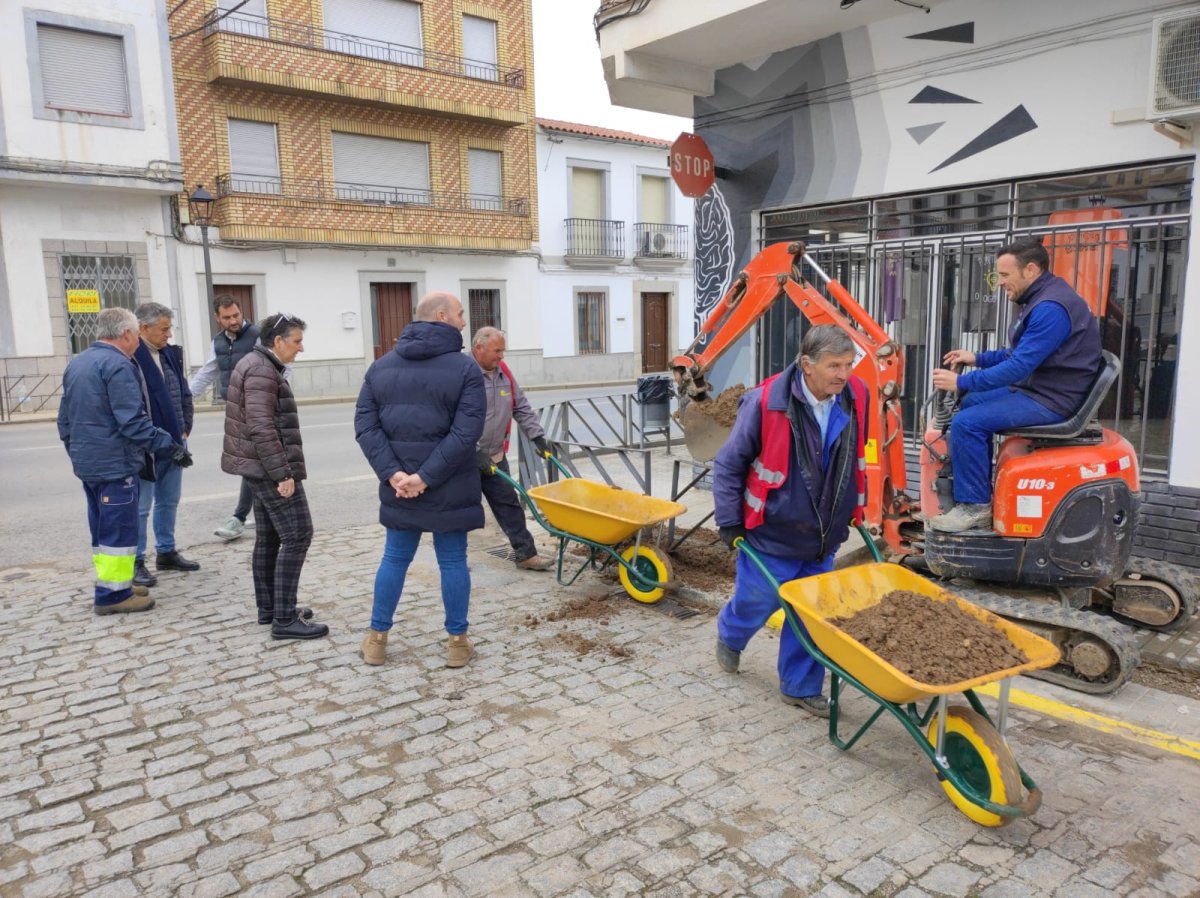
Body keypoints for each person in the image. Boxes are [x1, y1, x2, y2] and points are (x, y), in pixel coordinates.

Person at [712, 325, 867, 718]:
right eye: (834, 365)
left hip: (823, 534)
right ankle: (731, 634)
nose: (843, 374)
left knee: (811, 613)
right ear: (806, 365)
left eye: (848, 365)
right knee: (757, 601)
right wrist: (730, 521)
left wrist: (857, 506)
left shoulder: (854, 397)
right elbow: (730, 464)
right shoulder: (765, 402)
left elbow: (856, 459)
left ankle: (799, 686)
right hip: (773, 532)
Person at [930, 237, 1102, 532]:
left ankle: (975, 507)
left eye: (1005, 275)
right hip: (1042, 387)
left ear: (1031, 270)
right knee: (970, 402)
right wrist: (977, 358)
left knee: (966, 423)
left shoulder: (1050, 308)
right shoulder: (1043, 298)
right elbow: (1019, 354)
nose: (999, 282)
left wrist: (961, 380)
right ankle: (975, 489)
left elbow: (1018, 366)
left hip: (1053, 400)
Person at [355, 292, 486, 668]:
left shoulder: (380, 367)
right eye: (461, 314)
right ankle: (458, 643)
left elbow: (365, 426)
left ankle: (377, 640)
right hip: (448, 483)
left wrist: (395, 474)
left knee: (394, 558)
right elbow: (467, 433)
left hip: (401, 486)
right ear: (442, 316)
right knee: (452, 561)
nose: (464, 321)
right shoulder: (465, 370)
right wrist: (424, 478)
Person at [57, 307, 187, 614]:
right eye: (136, 336)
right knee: (118, 530)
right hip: (115, 464)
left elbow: (64, 421)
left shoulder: (78, 362)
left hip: (89, 463)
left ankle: (116, 583)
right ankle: (112, 597)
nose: (139, 342)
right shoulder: (118, 365)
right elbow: (133, 423)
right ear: (128, 334)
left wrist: (77, 452)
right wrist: (169, 445)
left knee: (102, 529)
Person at [221, 313, 326, 640]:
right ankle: (283, 618)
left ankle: (270, 608)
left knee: (270, 538)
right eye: (296, 341)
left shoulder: (257, 364)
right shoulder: (262, 371)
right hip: (268, 468)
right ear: (278, 341)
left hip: (258, 466)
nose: (301, 348)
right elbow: (261, 427)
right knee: (298, 535)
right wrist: (283, 473)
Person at [471, 326, 553, 572]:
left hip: (494, 456)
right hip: (466, 459)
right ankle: (453, 561)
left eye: (502, 351)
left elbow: (521, 406)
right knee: (461, 511)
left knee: (509, 504)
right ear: (479, 348)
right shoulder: (462, 373)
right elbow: (451, 418)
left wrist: (537, 436)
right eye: (497, 351)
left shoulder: (503, 372)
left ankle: (526, 554)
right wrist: (473, 451)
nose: (501, 356)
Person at [131, 302, 199, 587]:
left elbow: (183, 391)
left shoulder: (170, 354)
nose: (169, 334)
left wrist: (185, 427)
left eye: (170, 328)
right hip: (145, 444)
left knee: (169, 500)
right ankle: (136, 560)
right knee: (141, 506)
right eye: (164, 328)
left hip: (174, 439)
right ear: (143, 328)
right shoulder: (130, 356)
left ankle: (166, 551)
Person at [189, 294, 260, 542]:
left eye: (236, 315)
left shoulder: (257, 335)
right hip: (235, 409)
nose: (233, 320)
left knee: (251, 462)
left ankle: (238, 518)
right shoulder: (218, 342)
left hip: (258, 408)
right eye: (227, 317)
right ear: (217, 318)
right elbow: (207, 372)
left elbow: (282, 368)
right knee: (258, 461)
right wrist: (183, 398)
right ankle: (265, 513)